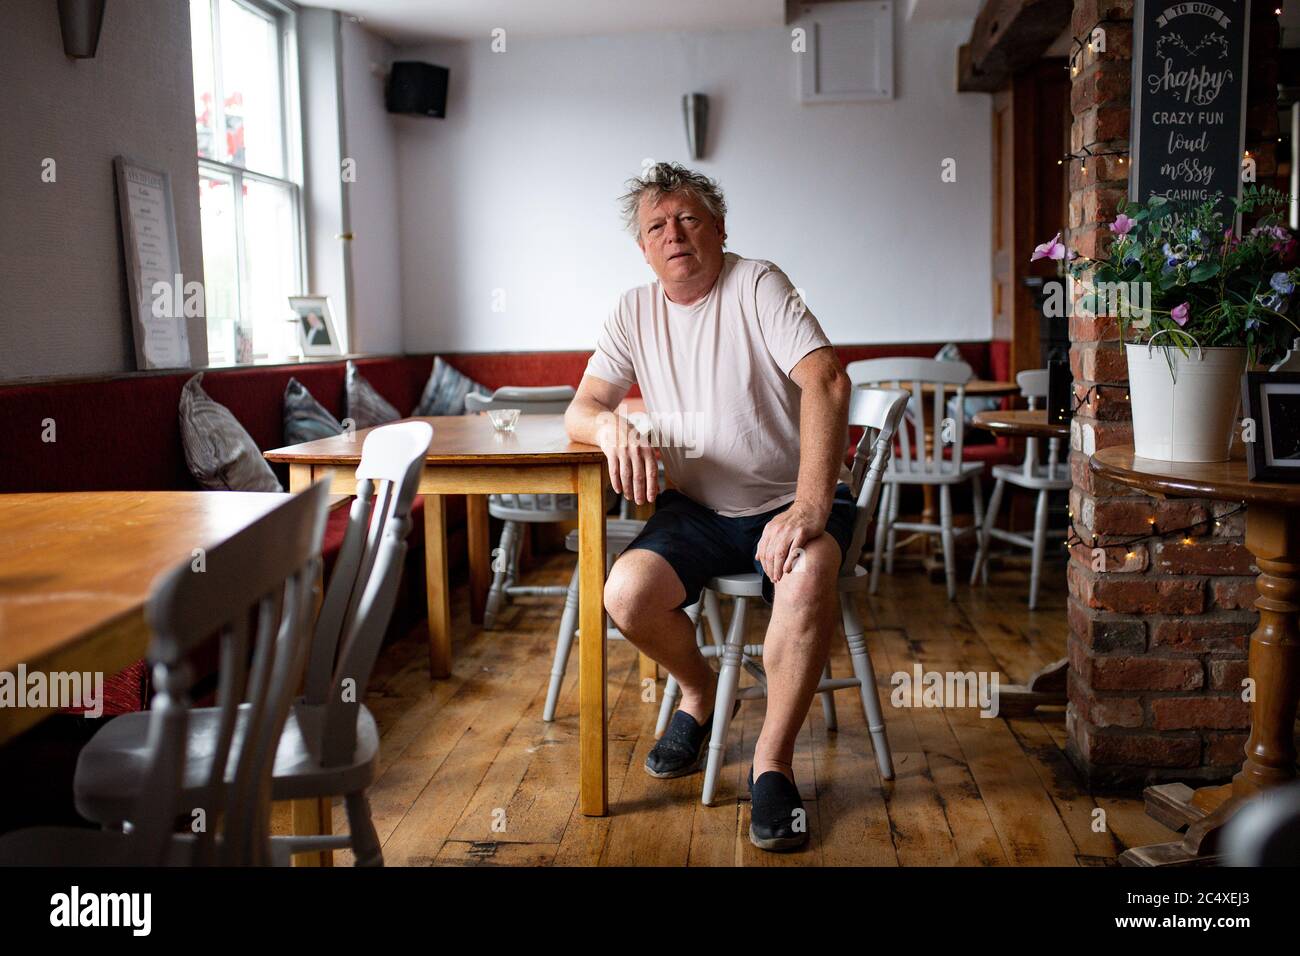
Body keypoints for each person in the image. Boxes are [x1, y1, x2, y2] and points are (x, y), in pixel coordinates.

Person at [565, 162, 855, 851]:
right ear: (643, 248)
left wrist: (811, 508)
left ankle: (772, 765)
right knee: (626, 593)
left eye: (689, 218)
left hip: (790, 498)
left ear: (719, 229)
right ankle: (697, 695)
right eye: (657, 226)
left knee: (809, 574)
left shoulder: (757, 282)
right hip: (695, 509)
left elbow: (828, 380)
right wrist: (611, 426)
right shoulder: (633, 310)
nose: (674, 234)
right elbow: (583, 406)